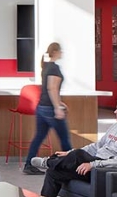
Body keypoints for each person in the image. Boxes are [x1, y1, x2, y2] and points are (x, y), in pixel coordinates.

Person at [31, 97, 117, 197]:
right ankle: (50, 166)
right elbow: (98, 145)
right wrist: (70, 153)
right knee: (54, 171)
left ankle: (48, 162)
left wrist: (92, 164)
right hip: (97, 163)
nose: (115, 112)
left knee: (78, 155)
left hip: (109, 171)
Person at [24, 42, 73, 175]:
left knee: (39, 137)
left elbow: (50, 89)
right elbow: (52, 88)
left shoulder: (46, 66)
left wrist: (60, 103)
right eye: (61, 50)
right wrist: (57, 107)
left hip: (42, 107)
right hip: (50, 109)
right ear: (56, 52)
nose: (62, 52)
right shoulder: (54, 68)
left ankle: (28, 164)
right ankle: (71, 166)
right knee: (64, 138)